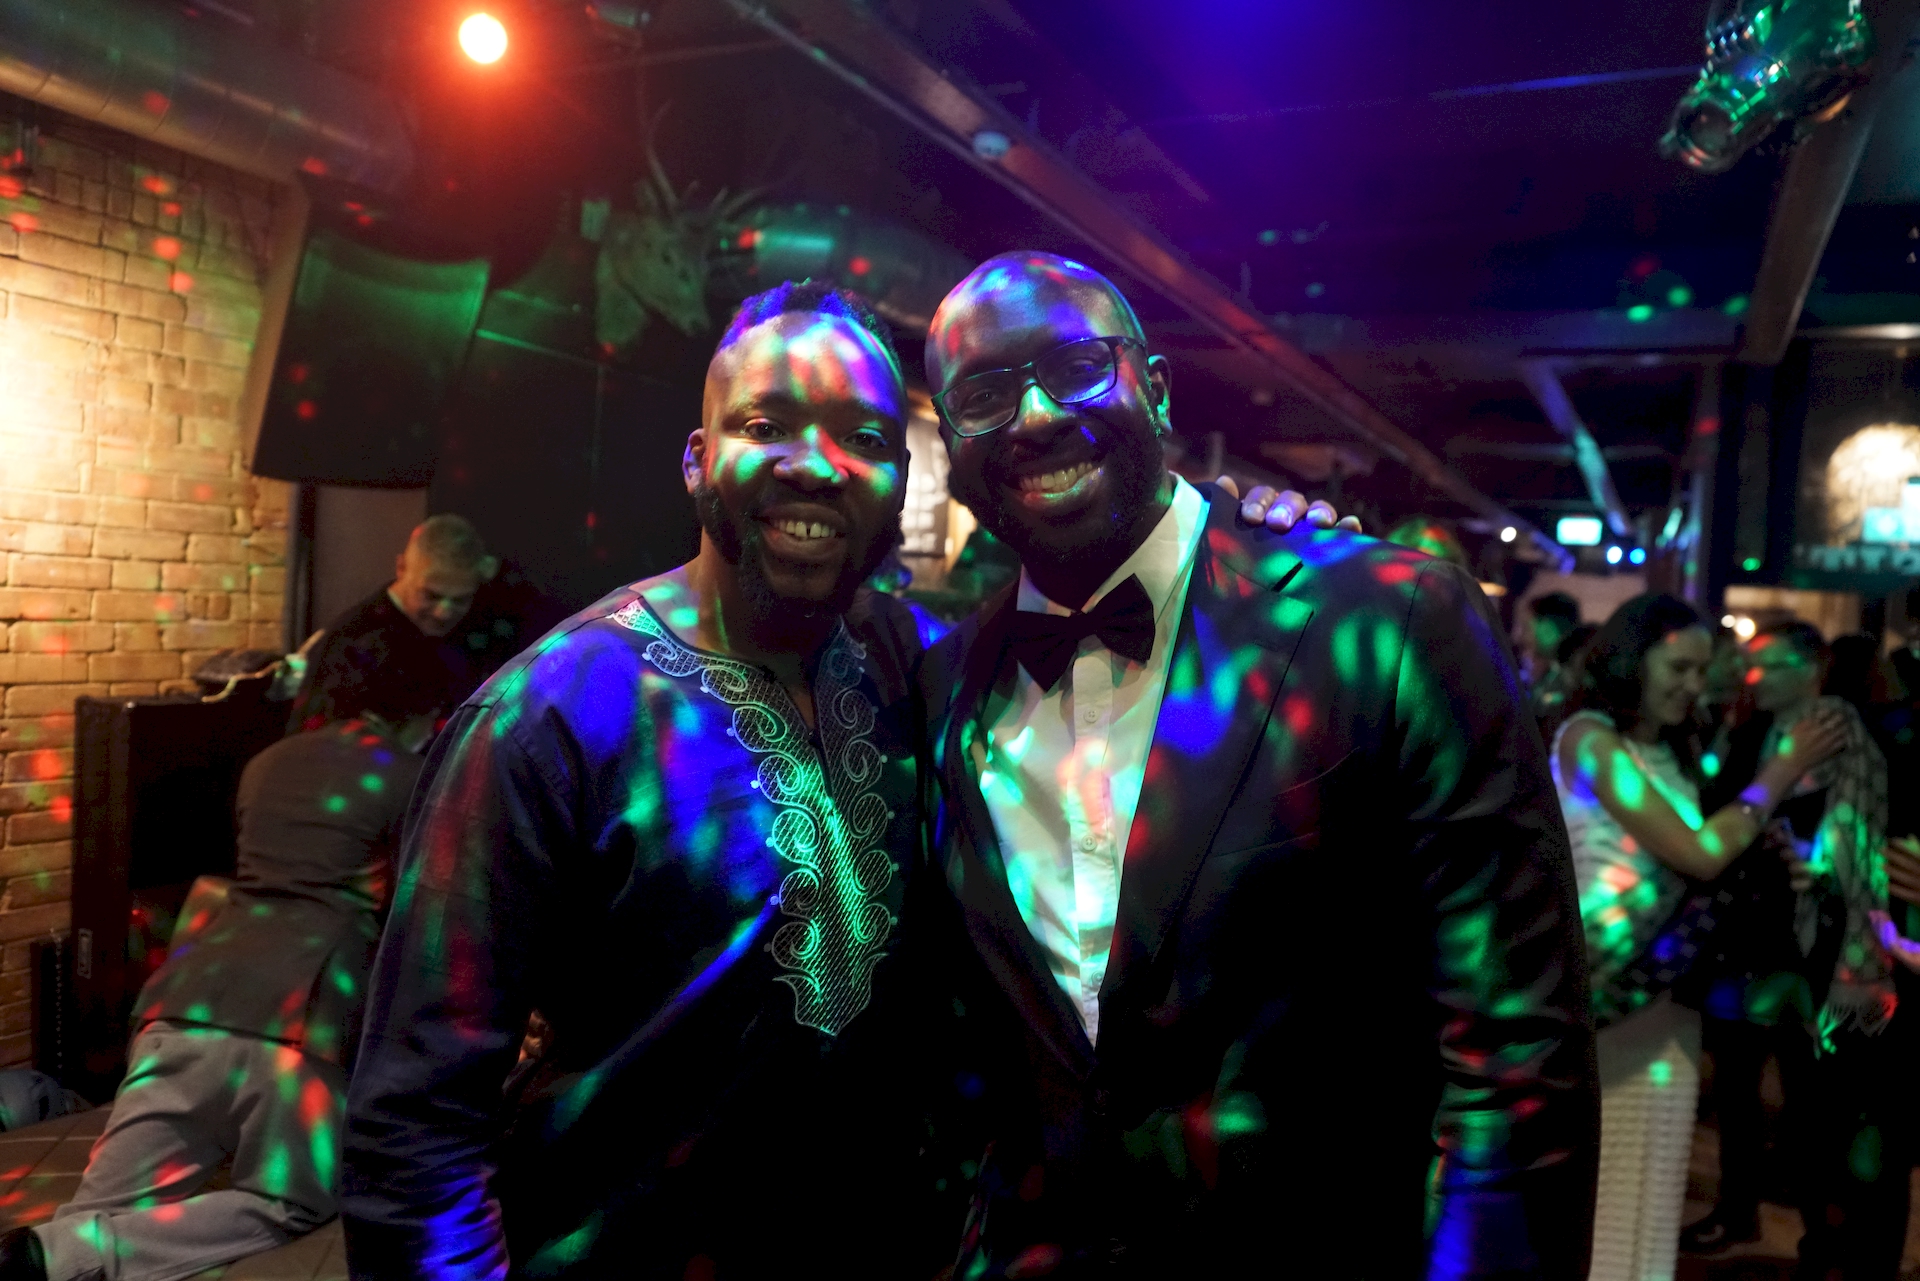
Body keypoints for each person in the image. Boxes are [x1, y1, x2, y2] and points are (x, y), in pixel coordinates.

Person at [336, 279, 1356, 1279]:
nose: (816, 467)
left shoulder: (923, 671)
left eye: (864, 437)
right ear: (697, 460)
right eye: (767, 425)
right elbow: (413, 1138)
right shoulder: (549, 719)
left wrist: (1248, 545)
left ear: (902, 481)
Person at [917, 251, 1600, 1279]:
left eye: (1076, 368)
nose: (1036, 417)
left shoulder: (1386, 621)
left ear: (1154, 386)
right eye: (983, 395)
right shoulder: (942, 688)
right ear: (950, 442)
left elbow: (1516, 1064)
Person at [0, 692, 436, 1281]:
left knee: (97, 1213)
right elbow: (419, 904)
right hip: (301, 1014)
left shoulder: (266, 763)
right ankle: (67, 1255)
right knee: (292, 1202)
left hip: (185, 999)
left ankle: (45, 1254)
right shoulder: (408, 772)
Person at [1550, 596, 1846, 1281]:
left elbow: (1708, 849)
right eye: (1678, 667)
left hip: (1667, 1006)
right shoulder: (1589, 739)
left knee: (1651, 1198)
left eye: (1701, 670)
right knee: (1600, 1201)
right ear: (1631, 660)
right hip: (1605, 1003)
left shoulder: (1673, 749)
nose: (1693, 684)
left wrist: (1764, 850)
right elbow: (1698, 853)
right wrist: (1780, 772)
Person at [286, 514, 502, 734]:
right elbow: (316, 745)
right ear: (401, 568)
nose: (443, 613)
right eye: (430, 595)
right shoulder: (348, 645)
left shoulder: (475, 630)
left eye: (460, 600)